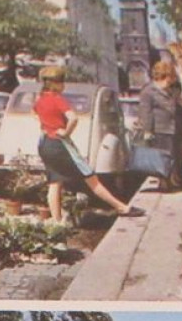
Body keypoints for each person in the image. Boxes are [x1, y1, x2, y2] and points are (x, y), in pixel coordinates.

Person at [35, 66, 144, 224]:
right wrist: (66, 132)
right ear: (55, 83)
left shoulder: (40, 100)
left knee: (54, 182)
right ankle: (122, 207)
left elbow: (40, 119)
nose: (64, 85)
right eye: (62, 81)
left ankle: (57, 222)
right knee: (91, 178)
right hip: (60, 144)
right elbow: (73, 118)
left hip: (45, 143)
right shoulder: (57, 99)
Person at [135, 60, 182, 191]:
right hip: (159, 129)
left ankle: (171, 182)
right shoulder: (148, 91)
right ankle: (164, 183)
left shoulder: (171, 90)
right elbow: (145, 112)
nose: (171, 81)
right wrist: (147, 130)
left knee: (171, 157)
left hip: (172, 128)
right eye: (169, 77)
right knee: (161, 158)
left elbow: (177, 108)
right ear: (163, 76)